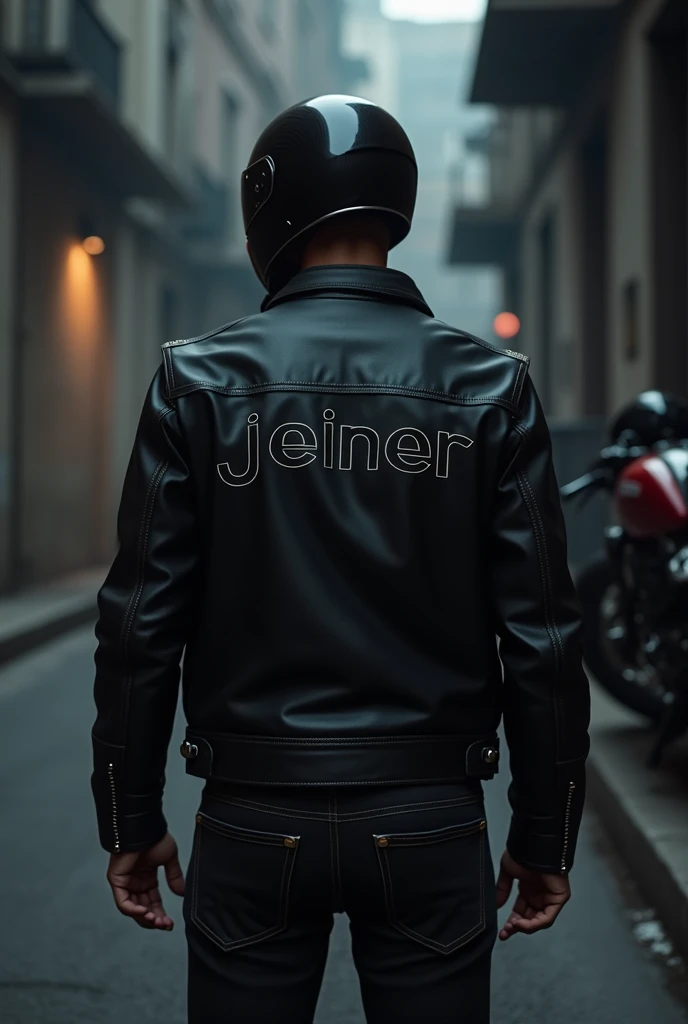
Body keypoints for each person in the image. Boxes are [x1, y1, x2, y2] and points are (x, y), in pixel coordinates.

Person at [91, 95, 591, 1024]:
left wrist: (130, 819)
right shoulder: (491, 387)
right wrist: (544, 833)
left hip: (251, 815)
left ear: (269, 208)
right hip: (433, 818)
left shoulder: (195, 381)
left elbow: (138, 625)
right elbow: (545, 639)